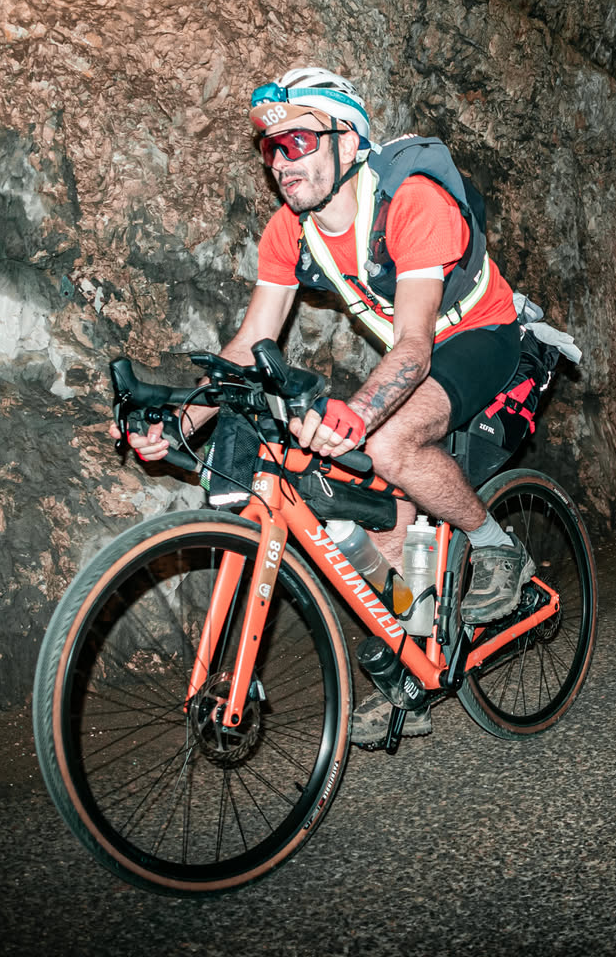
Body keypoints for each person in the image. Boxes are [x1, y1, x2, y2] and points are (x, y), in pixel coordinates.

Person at [121, 66, 533, 743]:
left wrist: (360, 414)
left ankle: (496, 547)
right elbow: (251, 337)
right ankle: (419, 665)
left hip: (478, 335)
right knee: (386, 523)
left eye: (299, 142)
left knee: (387, 446)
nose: (282, 162)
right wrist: (178, 421)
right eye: (271, 150)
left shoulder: (413, 202)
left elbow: (412, 346)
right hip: (412, 348)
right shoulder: (289, 231)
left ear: (349, 142)